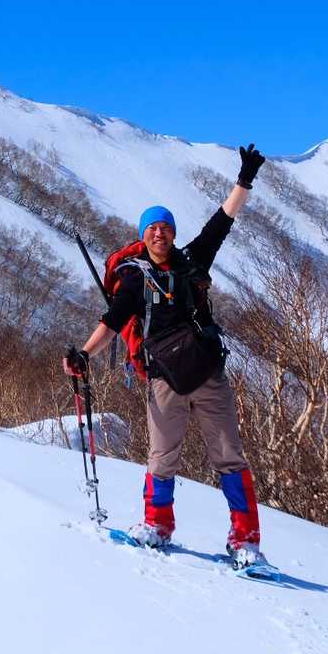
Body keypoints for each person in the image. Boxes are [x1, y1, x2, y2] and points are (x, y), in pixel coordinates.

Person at [65, 144, 267, 568]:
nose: (159, 233)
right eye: (152, 228)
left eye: (165, 227)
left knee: (229, 456)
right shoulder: (134, 279)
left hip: (208, 374)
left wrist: (244, 180)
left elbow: (223, 221)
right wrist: (84, 354)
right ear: (143, 236)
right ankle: (158, 525)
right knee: (162, 457)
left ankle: (245, 540)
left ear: (173, 233)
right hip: (164, 380)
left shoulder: (192, 261)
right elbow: (113, 321)